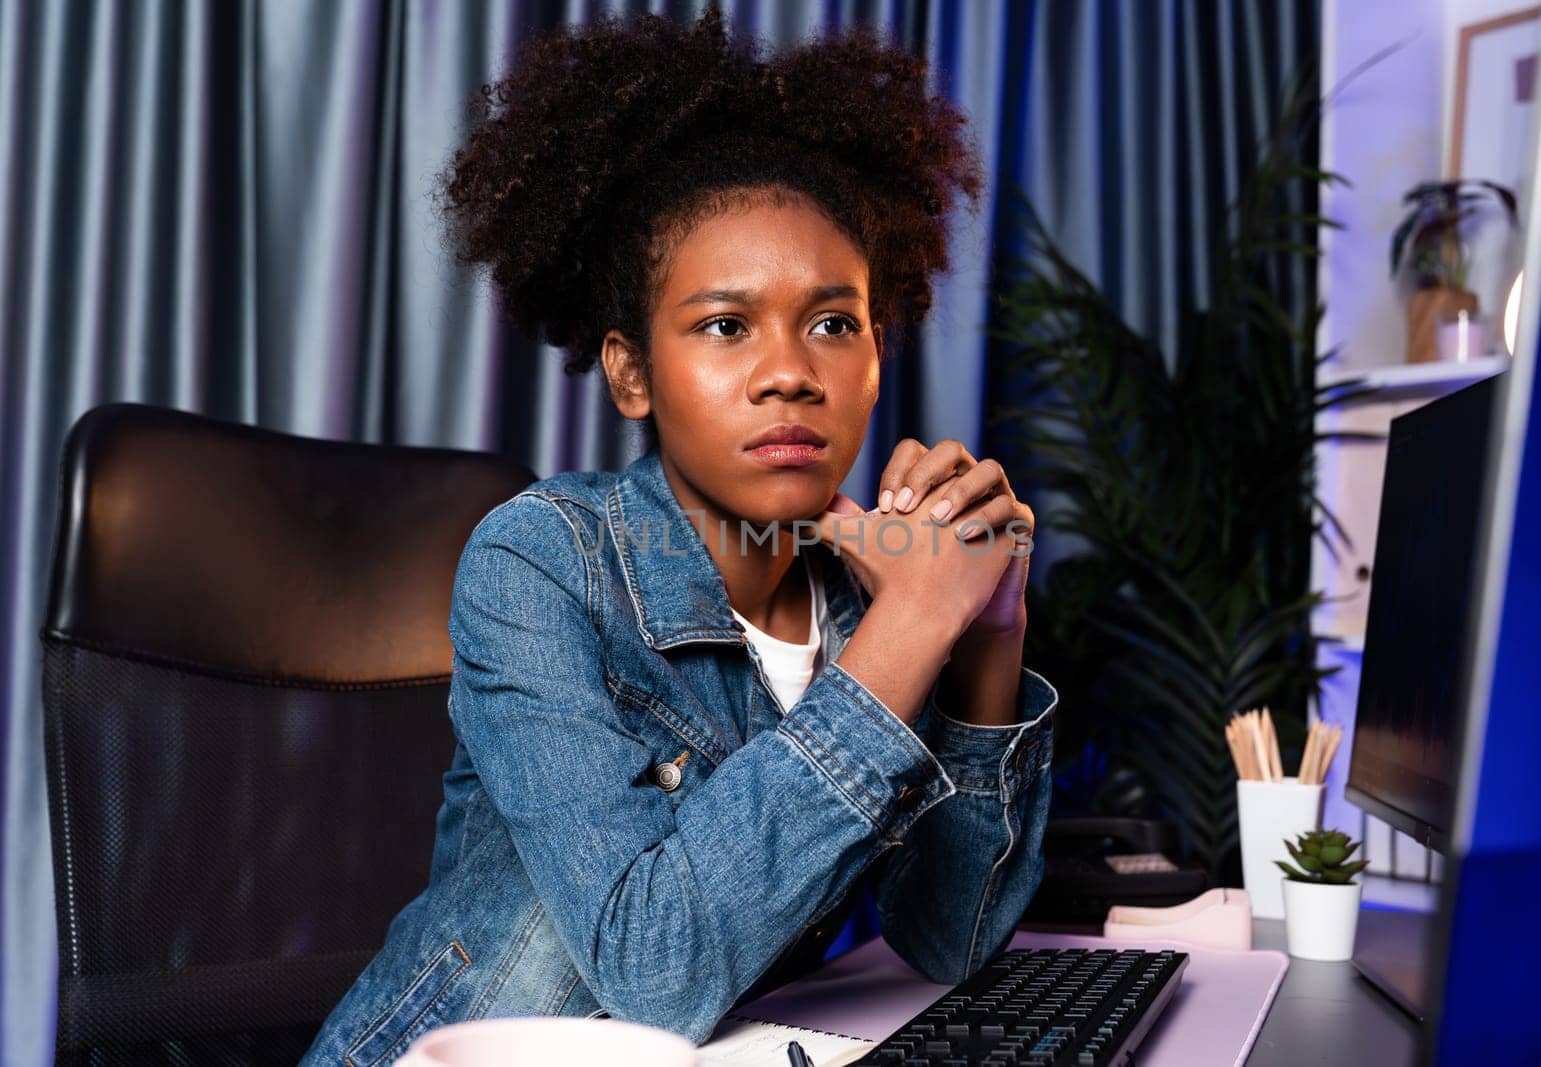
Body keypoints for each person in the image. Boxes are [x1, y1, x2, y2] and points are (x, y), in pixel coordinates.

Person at [300, 7, 1057, 1063]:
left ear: (878, 357)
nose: (790, 368)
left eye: (834, 322)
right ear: (632, 372)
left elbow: (948, 940)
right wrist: (918, 620)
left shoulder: (862, 595)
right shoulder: (542, 561)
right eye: (725, 324)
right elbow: (655, 970)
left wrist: (985, 638)